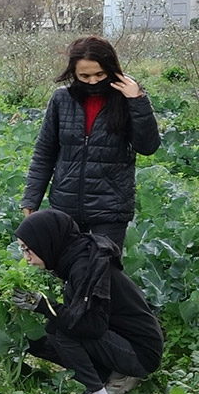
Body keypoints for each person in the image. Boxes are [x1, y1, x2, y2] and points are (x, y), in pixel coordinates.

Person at [13, 209, 163, 394]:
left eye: (28, 249)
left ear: (46, 242)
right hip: (126, 342)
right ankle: (112, 376)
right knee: (46, 337)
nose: (26, 258)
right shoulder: (76, 258)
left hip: (141, 353)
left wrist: (45, 306)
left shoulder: (85, 266)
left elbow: (89, 326)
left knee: (61, 330)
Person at [22, 36, 160, 249]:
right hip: (65, 205)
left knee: (103, 272)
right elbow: (45, 153)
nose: (93, 81)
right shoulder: (62, 99)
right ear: (73, 73)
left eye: (99, 74)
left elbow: (147, 147)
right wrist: (32, 199)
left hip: (110, 208)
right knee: (68, 271)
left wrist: (137, 101)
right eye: (84, 76)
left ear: (111, 69)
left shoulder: (126, 98)